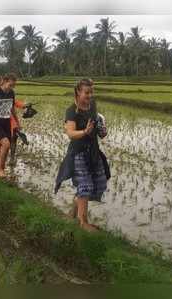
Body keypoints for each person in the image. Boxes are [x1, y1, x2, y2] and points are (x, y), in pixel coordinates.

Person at [55, 79, 110, 232]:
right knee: (85, 186)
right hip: (78, 153)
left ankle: (72, 214)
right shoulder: (72, 110)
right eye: (86, 92)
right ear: (78, 92)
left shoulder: (92, 106)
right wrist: (84, 132)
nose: (89, 95)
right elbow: (70, 133)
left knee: (97, 184)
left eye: (91, 92)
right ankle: (83, 222)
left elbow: (98, 127)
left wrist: (102, 131)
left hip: (92, 151)